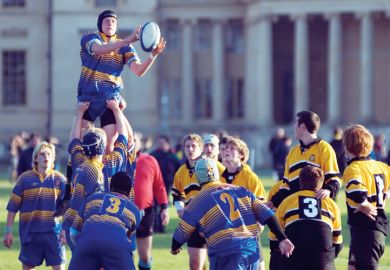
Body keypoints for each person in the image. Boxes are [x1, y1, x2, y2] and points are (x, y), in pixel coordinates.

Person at [171, 157, 295, 270]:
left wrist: (174, 247)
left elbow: (182, 232)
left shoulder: (198, 201)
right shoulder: (241, 190)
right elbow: (268, 215)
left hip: (225, 254)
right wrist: (282, 238)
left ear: (198, 178)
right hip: (251, 252)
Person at [77, 10, 166, 152]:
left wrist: (153, 55)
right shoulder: (90, 38)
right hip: (88, 100)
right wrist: (126, 40)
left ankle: (106, 174)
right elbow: (100, 49)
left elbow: (138, 71)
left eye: (113, 21)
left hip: (109, 101)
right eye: (106, 21)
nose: (110, 23)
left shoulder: (125, 47)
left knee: (108, 146)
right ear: (100, 24)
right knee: (84, 143)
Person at [63, 99, 129, 246]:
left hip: (82, 222)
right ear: (104, 145)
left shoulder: (79, 161)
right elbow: (124, 138)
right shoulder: (113, 161)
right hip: (108, 225)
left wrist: (80, 113)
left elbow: (73, 140)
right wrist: (117, 111)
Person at [3, 142, 67, 270]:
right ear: (36, 158)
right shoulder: (24, 179)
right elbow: (12, 207)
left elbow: (66, 209)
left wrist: (65, 230)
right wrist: (8, 231)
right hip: (30, 233)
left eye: (49, 154)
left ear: (53, 158)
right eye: (42, 154)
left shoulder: (60, 180)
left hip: (54, 234)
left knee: (59, 267)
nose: (46, 157)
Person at [269, 166, 343, 270]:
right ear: (321, 183)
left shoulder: (287, 201)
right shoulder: (331, 204)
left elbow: (274, 237)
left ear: (300, 181)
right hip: (322, 261)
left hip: (294, 260)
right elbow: (338, 243)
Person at [68, 172, 142, 270]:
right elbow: (131, 245)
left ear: (110, 185)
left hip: (86, 243)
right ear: (129, 191)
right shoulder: (134, 210)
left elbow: (73, 232)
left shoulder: (92, 198)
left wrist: (82, 246)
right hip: (117, 246)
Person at [269, 111, 341, 209]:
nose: (294, 127)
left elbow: (334, 179)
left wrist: (328, 190)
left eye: (296, 124)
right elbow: (286, 186)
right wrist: (272, 202)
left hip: (319, 210)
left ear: (302, 127)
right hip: (295, 211)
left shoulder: (324, 148)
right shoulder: (292, 152)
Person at [342, 124, 390, 270]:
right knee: (352, 267)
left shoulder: (353, 168)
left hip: (367, 230)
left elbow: (356, 188)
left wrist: (363, 202)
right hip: (368, 229)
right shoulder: (381, 166)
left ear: (347, 147)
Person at [133, 132, 170, 270]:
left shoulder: (150, 160)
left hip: (146, 212)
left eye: (135, 140)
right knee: (126, 253)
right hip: (122, 212)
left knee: (144, 256)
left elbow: (159, 186)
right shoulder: (118, 161)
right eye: (129, 139)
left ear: (141, 143)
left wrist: (164, 208)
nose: (132, 142)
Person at [171, 134, 208, 270]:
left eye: (194, 146)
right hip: (193, 222)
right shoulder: (181, 171)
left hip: (213, 221)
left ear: (201, 148)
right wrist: (180, 208)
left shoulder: (211, 166)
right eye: (187, 146)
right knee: (195, 265)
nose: (190, 149)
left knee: (217, 263)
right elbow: (176, 193)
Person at [150, 134, 181, 232]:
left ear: (167, 144)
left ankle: (161, 227)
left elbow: (178, 171)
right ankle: (155, 226)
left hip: (167, 185)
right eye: (159, 143)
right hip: (154, 184)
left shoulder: (173, 157)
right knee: (154, 205)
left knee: (163, 205)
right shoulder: (153, 155)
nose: (160, 145)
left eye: (162, 143)